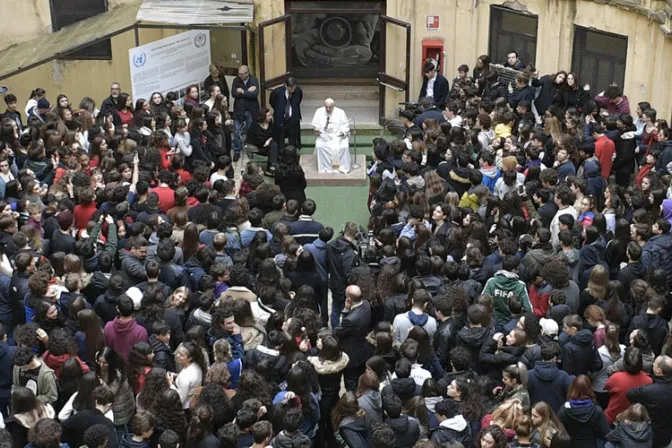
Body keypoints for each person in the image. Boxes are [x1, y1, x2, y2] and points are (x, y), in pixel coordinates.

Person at [627, 355, 672, 448]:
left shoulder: (647, 391)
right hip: (666, 434)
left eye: (654, 364)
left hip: (648, 433)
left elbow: (629, 394)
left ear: (659, 370)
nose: (653, 365)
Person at [334, 285, 372, 392]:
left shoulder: (350, 319)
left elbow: (338, 331)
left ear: (349, 299)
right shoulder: (366, 304)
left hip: (352, 355)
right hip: (364, 349)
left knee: (351, 382)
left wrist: (346, 310)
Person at [557, 375, 611, 448]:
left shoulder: (564, 409)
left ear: (572, 388)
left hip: (570, 444)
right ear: (589, 389)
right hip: (590, 443)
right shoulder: (597, 410)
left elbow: (558, 429)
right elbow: (606, 432)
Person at [326, 222, 358, 328]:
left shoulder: (330, 245)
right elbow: (348, 273)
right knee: (346, 310)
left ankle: (335, 332)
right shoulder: (350, 253)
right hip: (345, 286)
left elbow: (326, 262)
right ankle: (344, 331)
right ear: (355, 234)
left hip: (334, 282)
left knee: (335, 309)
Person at [311, 98, 351, 174]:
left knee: (343, 147)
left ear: (334, 106)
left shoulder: (340, 112)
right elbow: (315, 125)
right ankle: (325, 167)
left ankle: (339, 167)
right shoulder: (319, 111)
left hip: (337, 136)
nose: (328, 109)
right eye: (326, 107)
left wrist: (343, 132)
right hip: (325, 136)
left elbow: (345, 125)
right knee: (320, 146)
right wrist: (318, 130)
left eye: (330, 107)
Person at [103, 295, 148, 361]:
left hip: (115, 366)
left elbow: (107, 348)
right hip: (133, 368)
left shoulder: (108, 327)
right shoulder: (141, 332)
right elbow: (143, 355)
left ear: (117, 309)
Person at [231, 65, 260, 162]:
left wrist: (243, 92)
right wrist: (247, 91)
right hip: (239, 110)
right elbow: (234, 94)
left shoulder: (254, 80)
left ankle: (250, 148)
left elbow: (254, 94)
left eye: (243, 74)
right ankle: (237, 151)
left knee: (250, 129)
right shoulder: (236, 80)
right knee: (236, 132)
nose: (240, 76)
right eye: (239, 74)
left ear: (247, 73)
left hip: (251, 110)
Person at [269, 77, 303, 150]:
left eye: (294, 88)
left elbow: (298, 101)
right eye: (290, 88)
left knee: (293, 137)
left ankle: (292, 153)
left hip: (293, 118)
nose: (292, 90)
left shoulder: (298, 91)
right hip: (281, 118)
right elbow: (272, 102)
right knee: (280, 137)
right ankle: (280, 153)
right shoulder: (277, 92)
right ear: (286, 86)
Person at [246, 107, 279, 175]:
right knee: (274, 148)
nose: (270, 117)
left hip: (268, 145)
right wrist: (267, 140)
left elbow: (273, 134)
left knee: (274, 146)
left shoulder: (270, 123)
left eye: (270, 115)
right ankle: (271, 167)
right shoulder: (255, 126)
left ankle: (271, 167)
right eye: (268, 116)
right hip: (257, 146)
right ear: (263, 117)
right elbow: (256, 140)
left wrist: (268, 140)